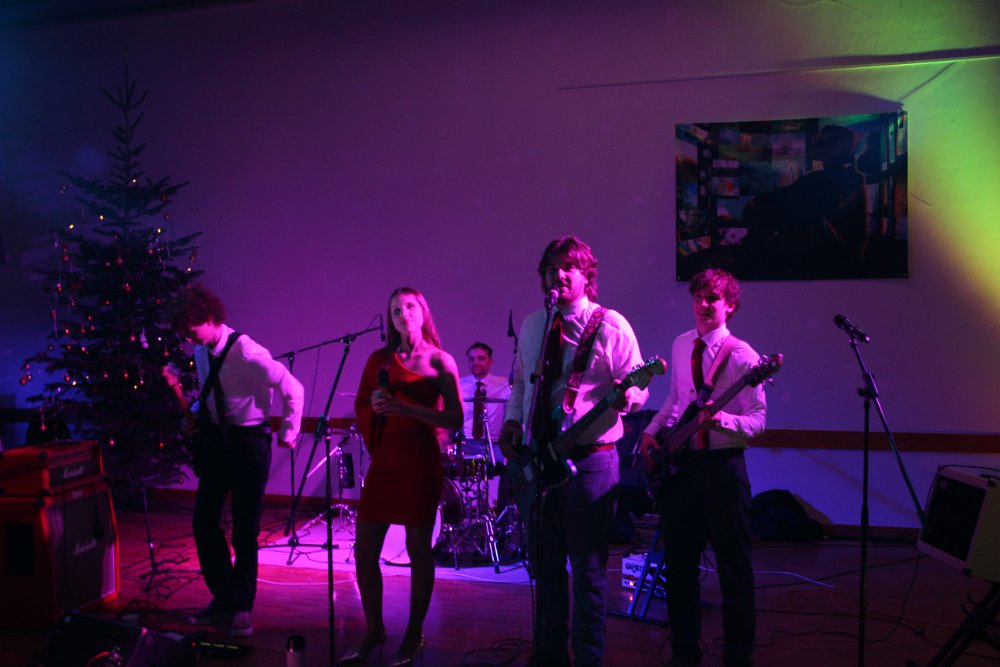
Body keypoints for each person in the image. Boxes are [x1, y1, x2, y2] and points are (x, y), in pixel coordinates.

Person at [499, 236, 648, 667]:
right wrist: (512, 421)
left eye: (568, 267)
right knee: (546, 570)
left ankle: (588, 658)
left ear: (587, 276)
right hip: (539, 459)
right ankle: (549, 656)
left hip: (591, 460)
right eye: (551, 268)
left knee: (588, 572)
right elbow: (522, 383)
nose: (558, 274)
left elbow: (639, 385)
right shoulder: (534, 325)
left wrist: (629, 396)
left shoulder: (610, 324)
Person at [638, 268, 766, 667]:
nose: (704, 304)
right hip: (683, 469)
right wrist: (651, 432)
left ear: (730, 305)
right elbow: (675, 400)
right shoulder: (681, 344)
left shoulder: (743, 356)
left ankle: (738, 655)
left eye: (713, 298)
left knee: (733, 568)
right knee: (679, 566)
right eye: (698, 297)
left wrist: (721, 421)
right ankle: (684, 652)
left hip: (723, 469)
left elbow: (759, 420)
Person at [165, 283, 304, 638]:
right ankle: (226, 597)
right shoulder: (201, 351)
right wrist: (194, 410)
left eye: (191, 328)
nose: (188, 337)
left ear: (210, 318)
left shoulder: (248, 353)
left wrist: (289, 431)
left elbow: (293, 388)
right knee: (203, 522)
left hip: (249, 443)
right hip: (217, 440)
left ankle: (242, 605)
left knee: (244, 530)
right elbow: (216, 395)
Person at [342, 287, 463, 667]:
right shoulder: (378, 359)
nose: (403, 314)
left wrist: (409, 409)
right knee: (364, 551)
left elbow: (456, 418)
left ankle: (413, 633)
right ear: (390, 318)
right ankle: (374, 629)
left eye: (410, 306)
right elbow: (362, 403)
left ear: (422, 312)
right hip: (386, 461)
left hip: (420, 462)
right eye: (395, 310)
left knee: (418, 549)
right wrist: (375, 406)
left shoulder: (440, 360)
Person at [459, 342, 511, 444]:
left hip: (494, 443)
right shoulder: (459, 385)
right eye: (471, 359)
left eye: (481, 359)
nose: (475, 363)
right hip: (466, 442)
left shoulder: (504, 385)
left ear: (490, 361)